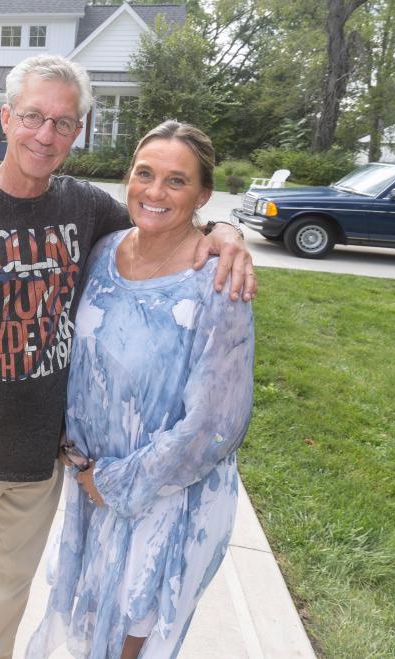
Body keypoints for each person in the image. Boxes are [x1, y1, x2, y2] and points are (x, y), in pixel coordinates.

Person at [0, 55, 256, 659]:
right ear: (6, 118)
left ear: (77, 131)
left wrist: (227, 234)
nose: (44, 135)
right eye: (33, 117)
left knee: (9, 590)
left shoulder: (85, 209)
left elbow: (162, 214)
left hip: (40, 458)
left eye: (62, 122)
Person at [26, 121, 255, 659]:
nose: (155, 192)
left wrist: (115, 482)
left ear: (203, 195)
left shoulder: (218, 280)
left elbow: (215, 427)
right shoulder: (102, 251)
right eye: (145, 174)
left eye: (177, 182)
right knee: (87, 629)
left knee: (133, 636)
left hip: (164, 496)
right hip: (94, 488)